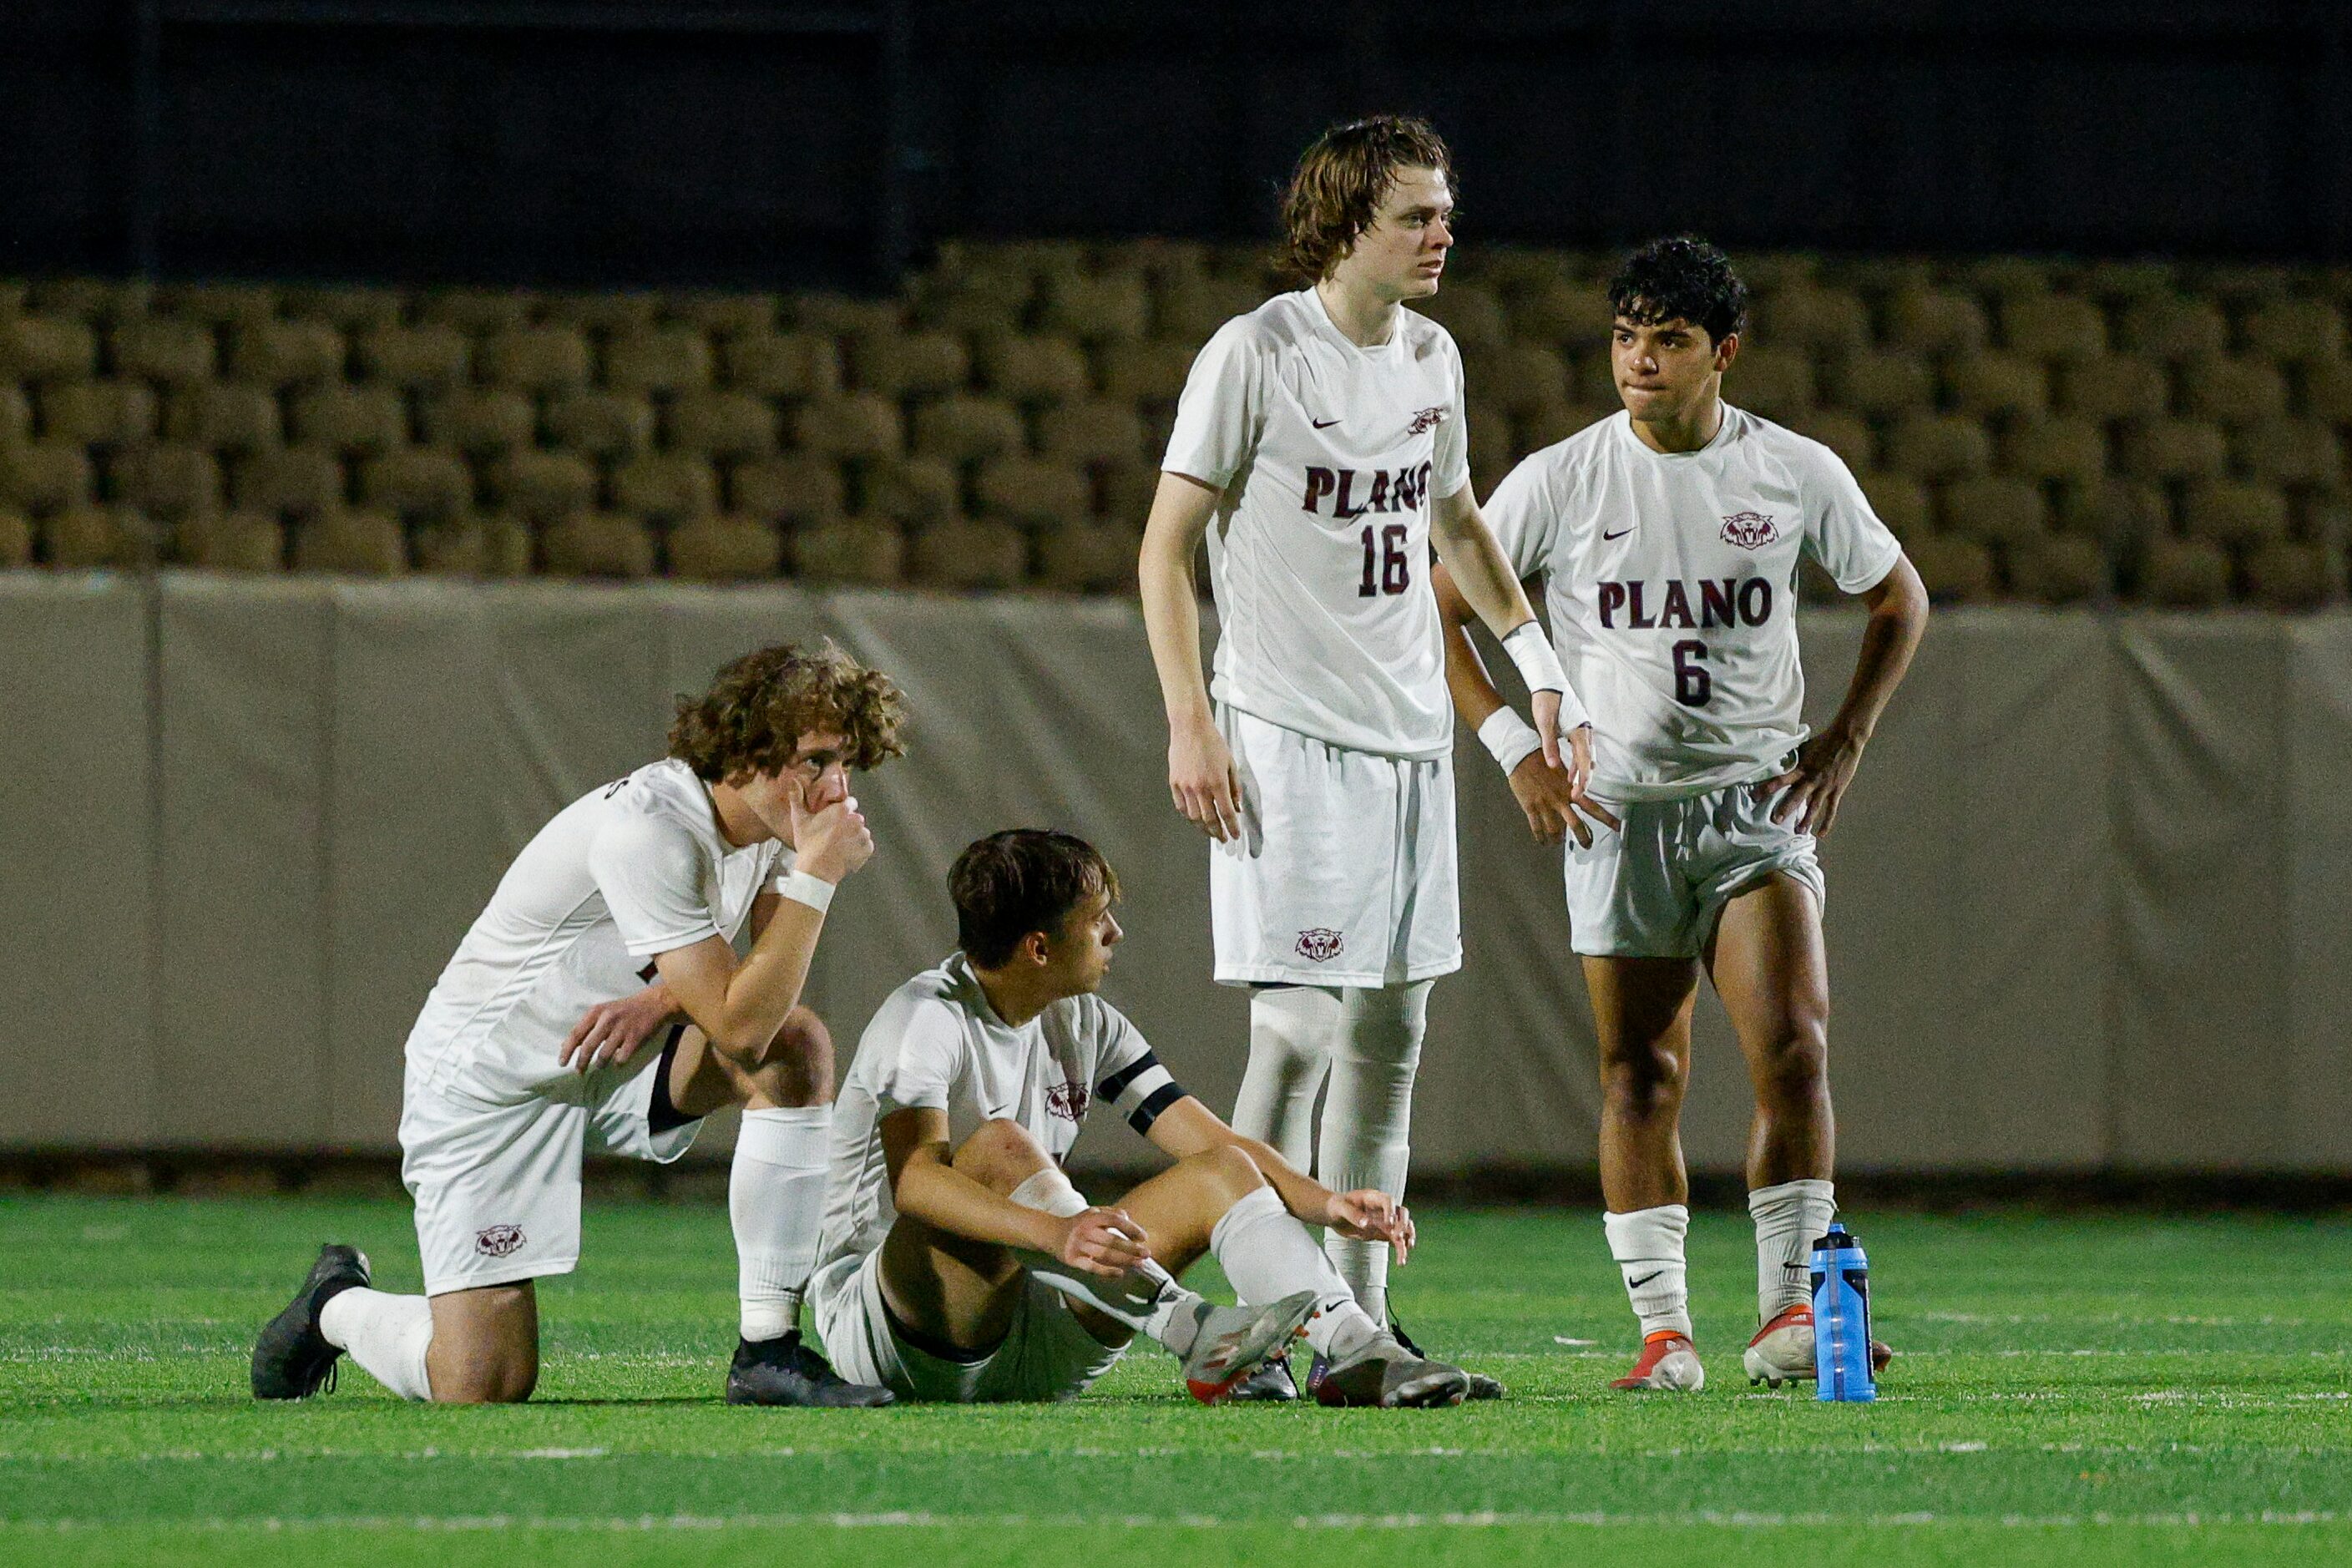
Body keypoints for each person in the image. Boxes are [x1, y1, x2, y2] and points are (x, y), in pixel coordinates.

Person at [1137, 114, 1587, 1400]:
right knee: (1291, 1033)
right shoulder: (1256, 351)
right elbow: (1165, 548)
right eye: (1418, 215)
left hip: (1406, 742)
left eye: (1447, 211)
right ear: (1345, 222)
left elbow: (1455, 523)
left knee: (1390, 1033)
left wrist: (1538, 666)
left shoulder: (1434, 358)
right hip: (1283, 729)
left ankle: (1369, 1321)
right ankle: (1281, 1321)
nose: (1445, 232)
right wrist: (1191, 715)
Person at [1435, 237, 1925, 1391]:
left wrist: (1845, 735)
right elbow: (1441, 611)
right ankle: (1665, 1335)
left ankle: (1785, 1316)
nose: (1639, 360)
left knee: (1795, 1049)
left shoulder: (1792, 471)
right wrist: (1514, 746)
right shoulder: (1562, 478)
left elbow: (1897, 596)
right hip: (1618, 819)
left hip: (1753, 807)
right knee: (1638, 1075)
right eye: (1625, 336)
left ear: (1725, 353)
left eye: (1667, 340)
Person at [251, 642, 906, 1407]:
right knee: (481, 1386)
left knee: (797, 1049)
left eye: (846, 766)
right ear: (746, 751)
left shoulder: (761, 829)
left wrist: (666, 998)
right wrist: (818, 877)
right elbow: (737, 1026)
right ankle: (334, 1306)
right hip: (494, 1081)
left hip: (613, 1059)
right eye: (816, 762)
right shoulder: (649, 828)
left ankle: (768, 1351)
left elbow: (759, 992)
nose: (836, 790)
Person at [806, 828, 1474, 1408]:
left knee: (1224, 1169)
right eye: (1097, 919)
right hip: (901, 1341)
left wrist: (1327, 1205)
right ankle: (1191, 1327)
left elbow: (1214, 1143)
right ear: (1039, 947)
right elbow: (915, 1183)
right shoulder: (926, 1017)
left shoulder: (1084, 1020)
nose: (1114, 933)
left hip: (1040, 1334)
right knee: (1000, 1146)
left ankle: (1358, 1349)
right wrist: (1055, 1231)